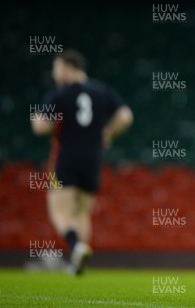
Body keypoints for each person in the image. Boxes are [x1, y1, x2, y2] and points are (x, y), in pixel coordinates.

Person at [31, 49, 133, 275]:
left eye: (56, 68)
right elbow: (126, 116)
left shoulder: (59, 95)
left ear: (67, 67)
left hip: (66, 157)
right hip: (92, 158)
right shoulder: (102, 91)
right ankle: (79, 262)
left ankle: (76, 246)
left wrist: (43, 121)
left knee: (59, 211)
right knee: (82, 213)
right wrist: (107, 134)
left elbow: (40, 126)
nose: (54, 73)